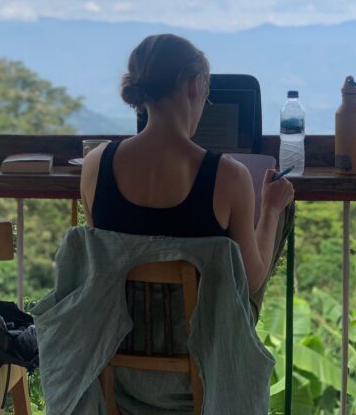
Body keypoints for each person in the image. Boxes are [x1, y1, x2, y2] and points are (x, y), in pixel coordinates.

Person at [80, 33, 294, 294]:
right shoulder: (229, 175)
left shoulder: (95, 164)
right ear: (195, 85)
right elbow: (250, 282)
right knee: (281, 211)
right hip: (203, 333)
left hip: (114, 332)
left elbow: (102, 263)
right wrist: (271, 209)